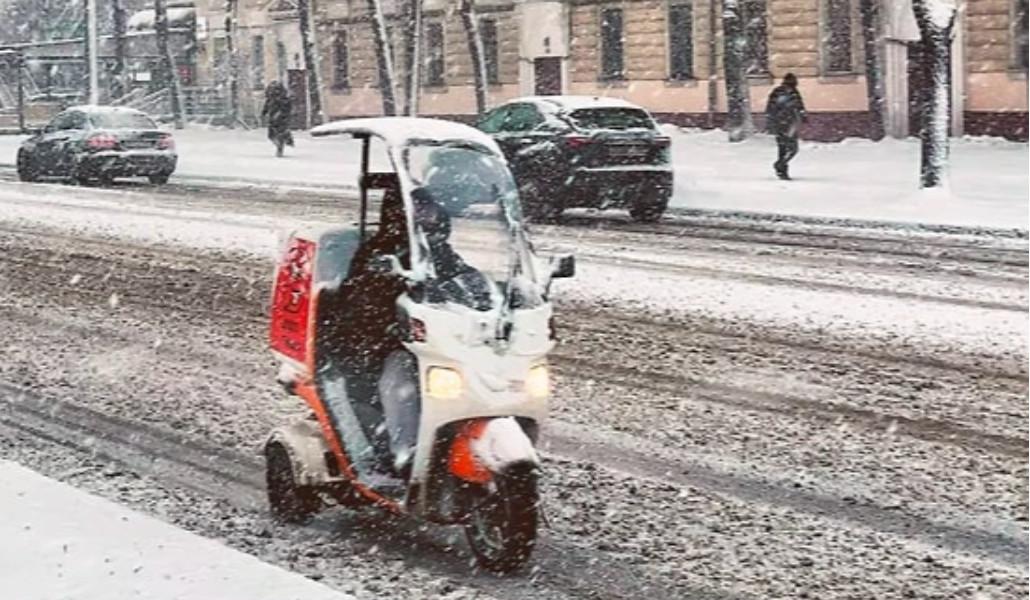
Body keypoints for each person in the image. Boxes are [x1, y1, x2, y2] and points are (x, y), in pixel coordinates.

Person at [765, 73, 807, 180]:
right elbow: (799, 106)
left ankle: (781, 168)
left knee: (785, 148)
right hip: (786, 123)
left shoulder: (781, 92)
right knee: (790, 148)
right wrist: (802, 116)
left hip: (784, 124)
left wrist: (770, 122)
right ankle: (781, 167)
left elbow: (770, 108)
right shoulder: (788, 92)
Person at [261, 81, 294, 157]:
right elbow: (266, 106)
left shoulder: (284, 99)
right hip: (273, 118)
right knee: (272, 135)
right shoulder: (270, 99)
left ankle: (281, 147)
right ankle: (283, 143)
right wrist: (264, 113)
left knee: (280, 133)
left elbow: (287, 108)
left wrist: (282, 114)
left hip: (281, 118)